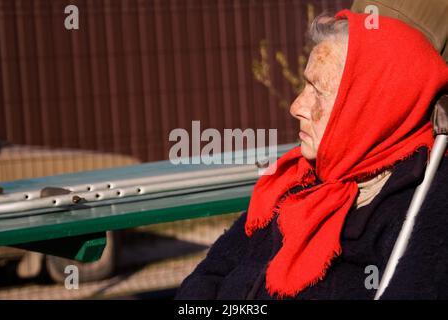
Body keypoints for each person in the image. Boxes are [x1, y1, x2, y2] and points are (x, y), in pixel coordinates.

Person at [175, 10, 448, 299]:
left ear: (370, 106)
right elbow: (210, 273)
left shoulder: (423, 203)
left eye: (317, 91)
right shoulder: (297, 178)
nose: (296, 106)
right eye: (304, 84)